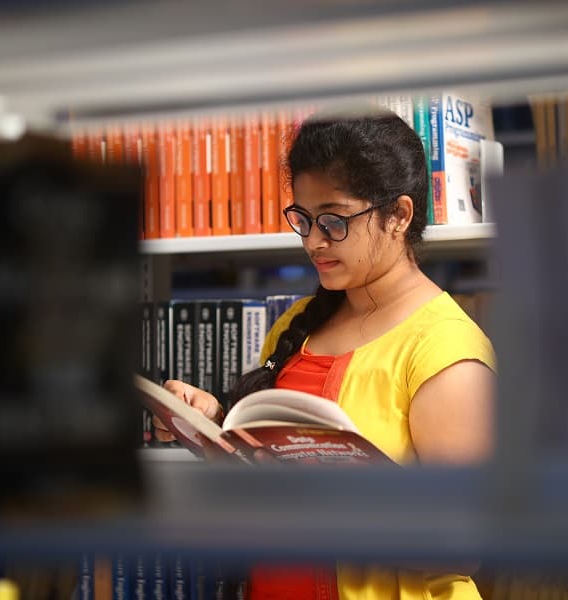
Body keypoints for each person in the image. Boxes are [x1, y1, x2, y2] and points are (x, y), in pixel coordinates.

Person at [159, 106, 496, 599]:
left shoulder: (446, 349)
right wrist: (215, 424)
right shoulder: (296, 326)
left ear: (398, 216)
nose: (314, 241)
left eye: (334, 220)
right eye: (304, 218)